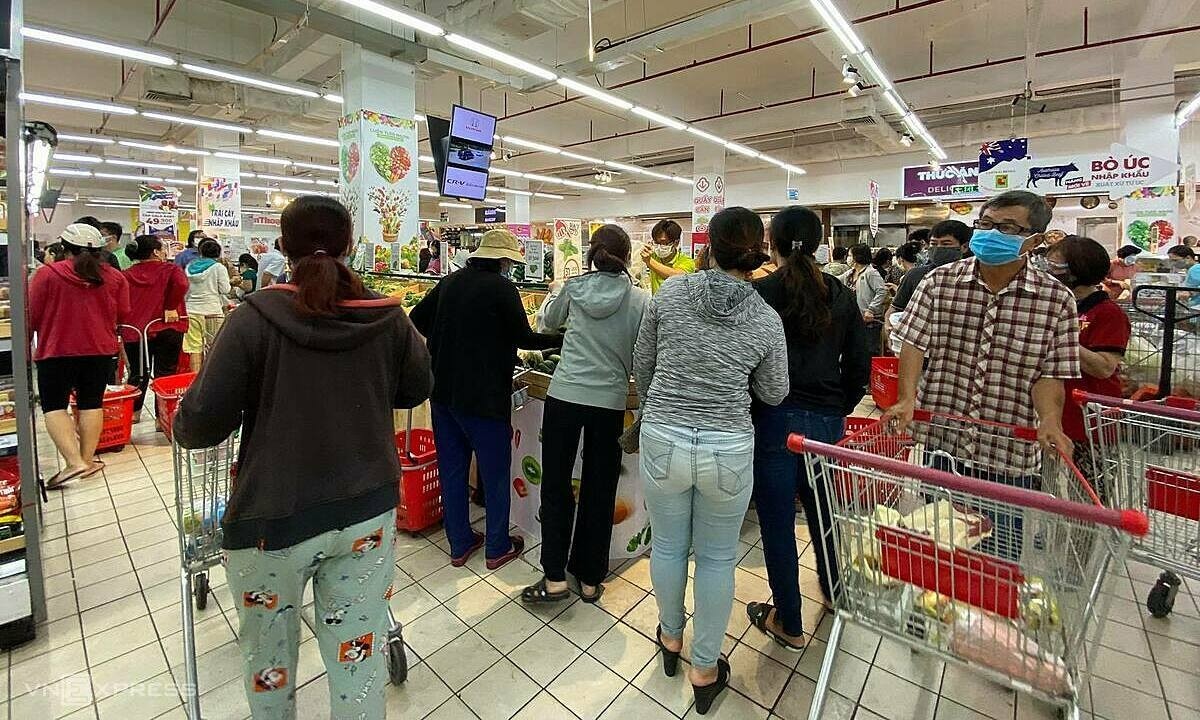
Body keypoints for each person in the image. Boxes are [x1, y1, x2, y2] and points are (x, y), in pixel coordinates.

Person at [172, 195, 432, 720]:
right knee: (358, 662)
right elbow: (416, 387)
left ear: (283, 248)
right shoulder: (386, 317)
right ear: (350, 245)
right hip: (367, 514)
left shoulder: (253, 319)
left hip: (273, 522)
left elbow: (197, 427)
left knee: (271, 667)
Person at [634, 206, 788, 715]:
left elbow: (643, 363)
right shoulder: (766, 317)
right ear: (755, 251)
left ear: (710, 244)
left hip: (662, 438)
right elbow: (774, 391)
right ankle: (705, 667)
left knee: (670, 546)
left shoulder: (672, 293)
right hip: (727, 447)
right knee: (718, 559)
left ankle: (670, 639)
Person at [889, 190, 1079, 527]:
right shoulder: (939, 283)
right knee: (941, 541)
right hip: (944, 442)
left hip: (1008, 453)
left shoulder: (1056, 301)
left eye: (1007, 228)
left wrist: (1050, 418)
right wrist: (906, 398)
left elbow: (1049, 373)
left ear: (1033, 240)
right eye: (986, 224)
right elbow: (913, 343)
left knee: (999, 554)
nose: (991, 233)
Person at [746, 206, 869, 651]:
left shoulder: (760, 292)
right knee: (825, 514)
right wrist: (839, 406)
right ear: (820, 242)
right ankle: (836, 595)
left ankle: (790, 622)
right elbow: (860, 364)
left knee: (777, 522)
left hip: (773, 419)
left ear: (772, 244)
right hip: (826, 421)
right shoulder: (840, 293)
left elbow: (744, 363)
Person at [410, 229, 561, 570]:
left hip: (443, 393)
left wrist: (450, 339)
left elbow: (416, 318)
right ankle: (497, 547)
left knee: (452, 471)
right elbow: (525, 338)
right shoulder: (503, 288)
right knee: (494, 476)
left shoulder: (450, 282)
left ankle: (460, 544)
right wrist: (560, 339)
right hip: (483, 398)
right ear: (504, 260)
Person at [521, 225, 650, 605]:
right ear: (627, 258)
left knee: (557, 483)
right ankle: (591, 578)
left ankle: (555, 576)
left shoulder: (574, 288)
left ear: (593, 253)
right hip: (609, 402)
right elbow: (642, 355)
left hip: (564, 396)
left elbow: (545, 324)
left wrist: (554, 293)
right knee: (600, 486)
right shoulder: (641, 299)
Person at [29, 224, 129, 488]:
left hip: (55, 350)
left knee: (54, 406)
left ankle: (74, 462)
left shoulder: (47, 275)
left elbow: (31, 315)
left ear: (64, 248)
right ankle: (86, 460)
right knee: (91, 403)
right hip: (99, 349)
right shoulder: (115, 278)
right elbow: (123, 313)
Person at [1046, 236, 1130, 483]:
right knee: (1047, 491)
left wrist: (1061, 335)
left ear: (1077, 270)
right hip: (1051, 414)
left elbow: (1104, 367)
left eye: (1056, 266)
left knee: (1088, 494)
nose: (1049, 271)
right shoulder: (1054, 305)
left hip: (1088, 422)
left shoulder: (1108, 314)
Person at [121, 235, 188, 419]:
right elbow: (182, 284)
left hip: (135, 331)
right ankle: (162, 417)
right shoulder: (171, 270)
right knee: (165, 374)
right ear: (156, 252)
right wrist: (171, 306)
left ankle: (134, 413)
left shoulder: (125, 274)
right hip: (168, 327)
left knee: (138, 373)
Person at [886, 220, 973, 344]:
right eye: (933, 244)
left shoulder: (972, 279)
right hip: (919, 347)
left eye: (945, 244)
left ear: (964, 247)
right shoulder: (915, 275)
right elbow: (894, 310)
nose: (938, 249)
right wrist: (889, 328)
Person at [184, 239, 231, 370]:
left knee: (194, 348)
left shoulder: (189, 268)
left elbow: (185, 291)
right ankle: (211, 378)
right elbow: (225, 289)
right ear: (218, 253)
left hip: (191, 311)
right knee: (214, 347)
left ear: (200, 252)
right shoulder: (218, 267)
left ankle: (195, 379)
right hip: (213, 311)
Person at [848, 243, 888, 356]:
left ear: (857, 257)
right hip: (856, 319)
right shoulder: (851, 273)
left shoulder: (871, 273)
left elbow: (882, 291)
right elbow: (837, 279)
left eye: (850, 255)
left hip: (870, 321)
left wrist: (871, 309)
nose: (848, 258)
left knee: (869, 351)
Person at [642, 219, 696, 293]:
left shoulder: (687, 261)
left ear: (676, 243)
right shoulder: (653, 255)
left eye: (663, 242)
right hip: (656, 303)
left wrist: (649, 261)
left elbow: (677, 277)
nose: (659, 246)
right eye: (656, 242)